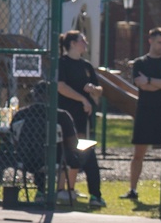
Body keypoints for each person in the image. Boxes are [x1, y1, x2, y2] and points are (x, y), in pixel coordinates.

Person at [12, 80, 103, 208]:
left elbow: (13, 139)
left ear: (33, 96)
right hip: (58, 159)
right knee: (89, 153)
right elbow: (73, 143)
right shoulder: (61, 115)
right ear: (52, 97)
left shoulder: (20, 115)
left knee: (38, 149)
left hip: (26, 158)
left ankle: (40, 192)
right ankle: (95, 196)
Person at [56, 29, 106, 208]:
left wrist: (93, 90)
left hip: (83, 118)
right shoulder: (62, 63)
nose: (85, 44)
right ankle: (62, 190)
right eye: (82, 41)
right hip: (66, 118)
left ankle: (78, 191)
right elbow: (61, 87)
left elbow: (100, 90)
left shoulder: (86, 66)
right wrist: (82, 98)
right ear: (72, 44)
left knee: (84, 151)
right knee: (67, 152)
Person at [123, 27, 161, 200]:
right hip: (144, 111)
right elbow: (141, 86)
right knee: (138, 154)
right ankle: (133, 190)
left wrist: (150, 80)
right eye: (159, 42)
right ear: (150, 41)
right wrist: (157, 83)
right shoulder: (140, 63)